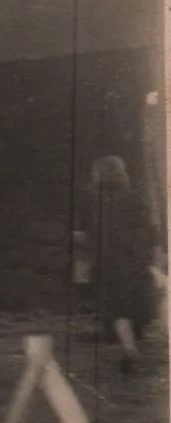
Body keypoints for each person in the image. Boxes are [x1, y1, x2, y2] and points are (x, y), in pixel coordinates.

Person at [78, 155, 158, 375]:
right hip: (134, 260)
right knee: (133, 304)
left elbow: (90, 232)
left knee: (117, 308)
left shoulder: (94, 201)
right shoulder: (135, 197)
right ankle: (133, 347)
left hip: (109, 261)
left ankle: (130, 349)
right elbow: (151, 232)